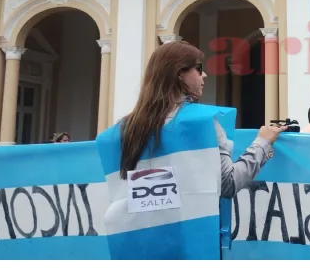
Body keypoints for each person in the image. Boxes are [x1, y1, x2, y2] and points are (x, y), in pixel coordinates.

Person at [95, 41, 287, 259]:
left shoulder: (115, 135)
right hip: (188, 246)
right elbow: (228, 183)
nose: (204, 76)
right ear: (180, 73)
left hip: (133, 248)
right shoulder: (201, 122)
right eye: (199, 68)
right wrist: (262, 143)